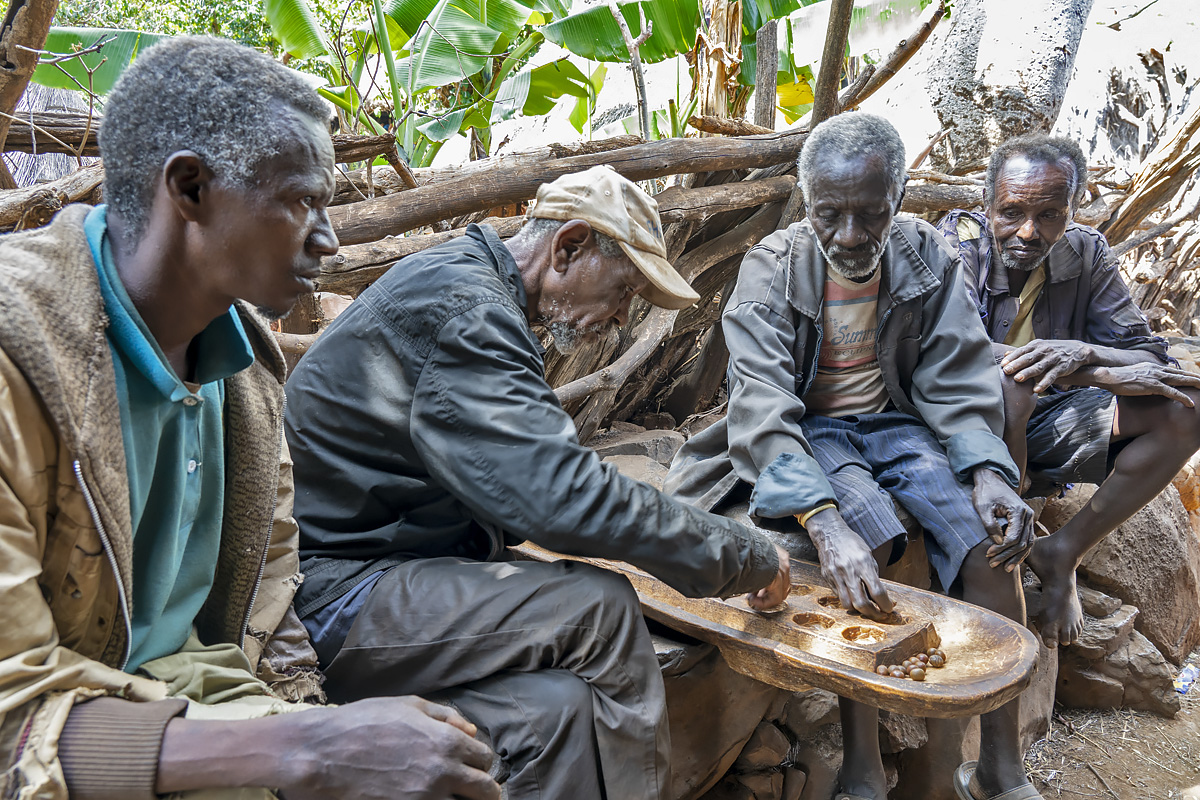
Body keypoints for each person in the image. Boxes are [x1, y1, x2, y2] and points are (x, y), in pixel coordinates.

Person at [0, 36, 501, 800]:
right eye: (303, 201)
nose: (329, 240)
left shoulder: (249, 370)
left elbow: (270, 584)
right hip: (69, 727)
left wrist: (311, 717)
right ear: (191, 188)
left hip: (197, 698)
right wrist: (307, 748)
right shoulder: (18, 353)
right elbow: (12, 727)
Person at [283, 165, 791, 800]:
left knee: (554, 711)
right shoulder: (468, 313)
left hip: (376, 572)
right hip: (336, 594)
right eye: (624, 290)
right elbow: (560, 495)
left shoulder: (473, 288)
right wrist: (742, 552)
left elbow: (530, 480)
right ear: (569, 246)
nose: (620, 317)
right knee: (599, 609)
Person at [665, 113, 1043, 800]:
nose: (848, 235)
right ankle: (865, 767)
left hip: (897, 424)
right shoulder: (770, 269)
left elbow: (956, 378)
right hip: (813, 430)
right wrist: (822, 518)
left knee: (989, 542)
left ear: (897, 200)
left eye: (870, 215)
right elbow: (764, 406)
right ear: (807, 202)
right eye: (828, 213)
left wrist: (988, 470)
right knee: (867, 534)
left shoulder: (926, 255)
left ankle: (998, 764)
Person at [936, 135, 1200, 651]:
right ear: (987, 203)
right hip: (964, 421)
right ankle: (1006, 553)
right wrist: (1097, 374)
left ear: (1072, 211)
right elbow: (954, 348)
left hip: (1047, 414)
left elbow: (1148, 356)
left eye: (1051, 214)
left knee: (1191, 406)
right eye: (1011, 212)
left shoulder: (1085, 250)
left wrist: (1084, 351)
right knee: (1012, 385)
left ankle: (1063, 553)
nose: (1029, 231)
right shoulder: (957, 241)